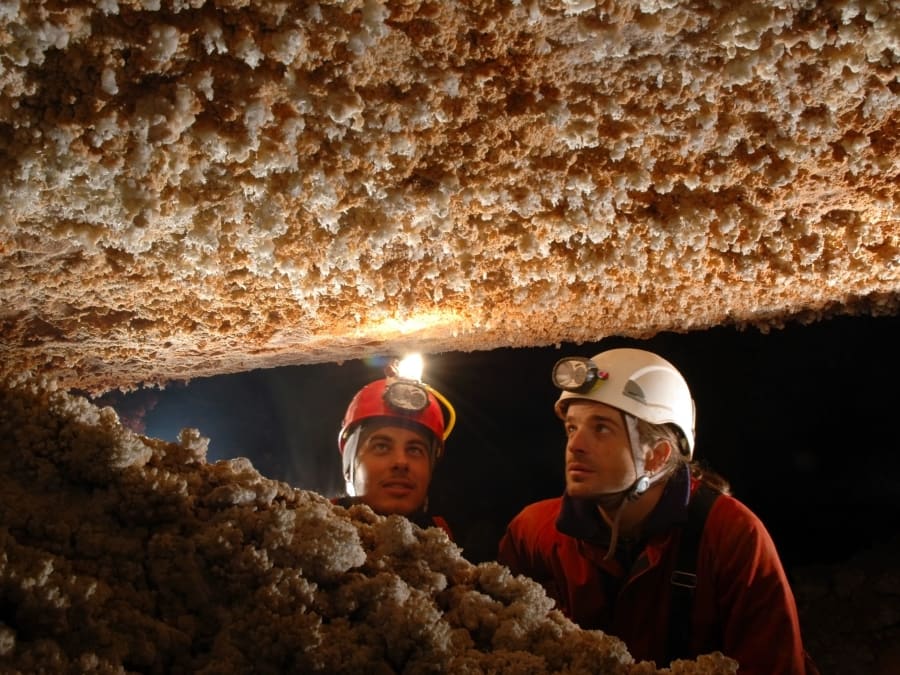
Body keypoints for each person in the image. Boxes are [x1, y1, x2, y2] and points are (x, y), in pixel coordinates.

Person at [497, 347, 818, 673]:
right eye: (572, 427)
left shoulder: (730, 536)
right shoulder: (535, 533)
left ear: (657, 456)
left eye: (602, 428)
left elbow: (775, 664)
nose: (575, 445)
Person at [333, 360, 455, 538]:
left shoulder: (443, 541)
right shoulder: (306, 534)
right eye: (381, 446)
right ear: (349, 465)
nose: (401, 462)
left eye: (415, 450)